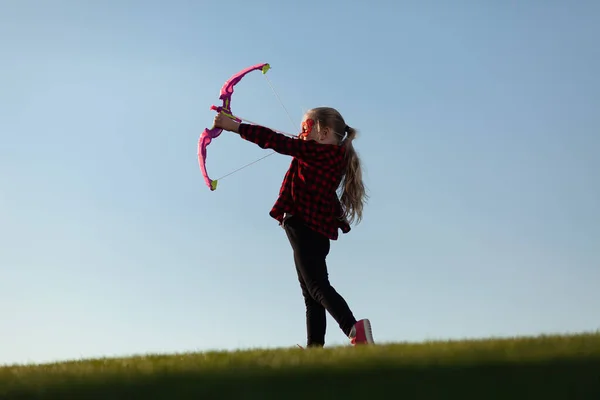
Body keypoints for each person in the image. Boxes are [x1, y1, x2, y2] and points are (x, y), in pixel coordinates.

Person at [213, 106, 374, 348]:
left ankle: (353, 328)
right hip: (316, 232)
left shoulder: (318, 152)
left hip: (304, 226)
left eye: (305, 129)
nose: (300, 134)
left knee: (317, 286)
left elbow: (275, 141)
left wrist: (235, 127)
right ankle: (315, 349)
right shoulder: (330, 156)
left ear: (323, 133)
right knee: (311, 292)